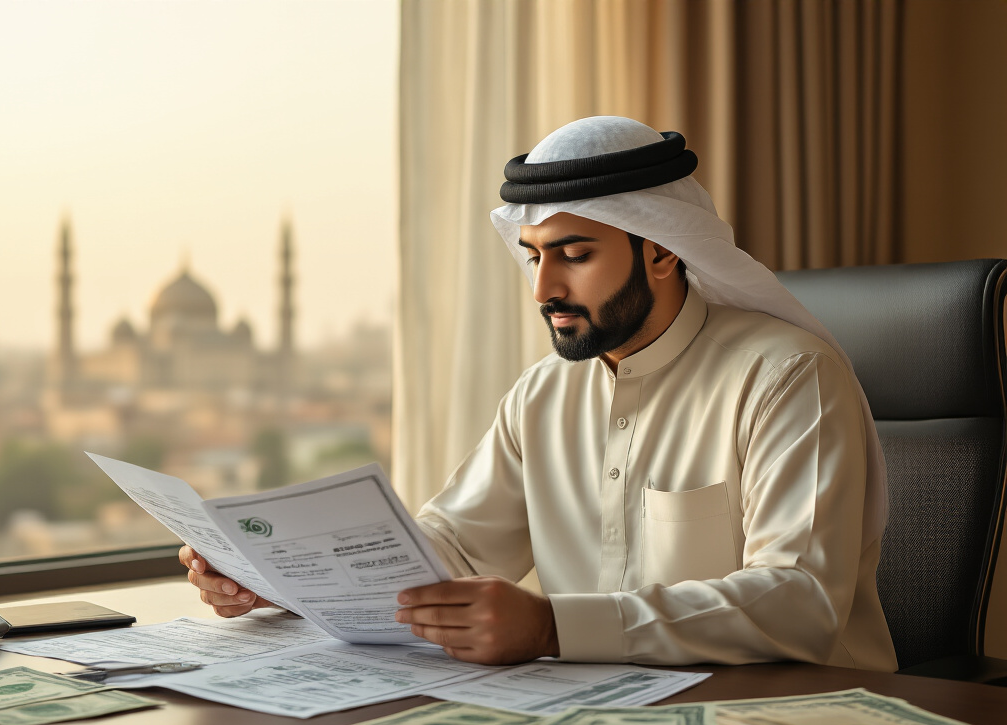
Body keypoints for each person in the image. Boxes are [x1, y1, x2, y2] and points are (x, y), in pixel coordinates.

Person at [180, 116, 898, 673]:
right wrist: (283, 581)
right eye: (533, 257)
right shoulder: (544, 395)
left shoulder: (785, 377)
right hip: (597, 721)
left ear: (661, 248)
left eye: (575, 255)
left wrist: (554, 626)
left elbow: (799, 603)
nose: (545, 289)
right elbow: (455, 554)